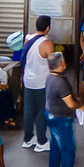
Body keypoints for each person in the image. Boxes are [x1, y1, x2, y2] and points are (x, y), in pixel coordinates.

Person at [18, 15, 55, 152]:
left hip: (28, 80)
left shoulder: (28, 39)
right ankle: (41, 141)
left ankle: (28, 139)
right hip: (42, 82)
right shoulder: (47, 44)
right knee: (41, 111)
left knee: (28, 110)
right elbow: (53, 64)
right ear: (48, 28)